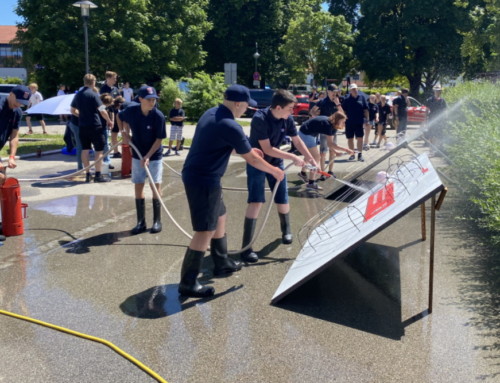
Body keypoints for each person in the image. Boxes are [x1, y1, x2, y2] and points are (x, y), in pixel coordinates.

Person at [179, 84, 284, 297]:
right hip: (203, 179)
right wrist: (274, 171)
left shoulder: (212, 113)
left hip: (204, 176)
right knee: (204, 230)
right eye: (246, 106)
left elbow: (224, 144)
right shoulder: (229, 124)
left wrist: (245, 149)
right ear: (237, 103)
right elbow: (253, 160)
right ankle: (188, 282)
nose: (246, 110)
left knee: (220, 216)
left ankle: (222, 261)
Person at [240, 89, 317, 263]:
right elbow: (266, 149)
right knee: (256, 201)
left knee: (282, 198)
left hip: (276, 162)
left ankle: (286, 230)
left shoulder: (287, 118)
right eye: (290, 108)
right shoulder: (260, 119)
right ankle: (246, 247)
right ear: (277, 107)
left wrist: (310, 158)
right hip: (257, 162)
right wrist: (293, 156)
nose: (292, 112)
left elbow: (297, 140)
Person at [118, 85, 166, 235]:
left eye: (154, 100)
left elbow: (159, 139)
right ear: (140, 99)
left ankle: (157, 221)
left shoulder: (158, 116)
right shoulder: (132, 111)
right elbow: (120, 117)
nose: (152, 103)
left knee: (154, 186)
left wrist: (148, 156)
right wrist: (124, 132)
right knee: (138, 185)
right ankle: (141, 222)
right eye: (149, 100)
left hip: (154, 155)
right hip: (137, 153)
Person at [0, 85, 31, 242]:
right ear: (10, 94)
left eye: (22, 103)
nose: (18, 105)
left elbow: (14, 136)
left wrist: (11, 156)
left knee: (1, 180)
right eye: (17, 101)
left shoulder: (17, 112)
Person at [70, 74, 113, 183]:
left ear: (84, 81)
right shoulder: (93, 95)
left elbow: (72, 110)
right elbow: (102, 109)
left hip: (82, 126)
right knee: (99, 150)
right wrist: (109, 120)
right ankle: (98, 175)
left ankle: (88, 174)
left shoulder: (78, 95)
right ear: (93, 82)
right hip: (95, 125)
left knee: (85, 149)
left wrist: (81, 115)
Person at [297, 112, 354, 187]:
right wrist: (346, 150)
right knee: (316, 157)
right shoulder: (327, 125)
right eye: (343, 122)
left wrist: (335, 152)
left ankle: (302, 173)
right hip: (305, 133)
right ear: (337, 120)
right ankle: (311, 182)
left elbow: (330, 143)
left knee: (310, 155)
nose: (344, 124)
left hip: (310, 133)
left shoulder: (334, 126)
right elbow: (330, 144)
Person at [341, 84, 369, 162]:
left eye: (356, 89)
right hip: (349, 122)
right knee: (350, 139)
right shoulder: (346, 99)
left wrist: (367, 119)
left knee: (360, 138)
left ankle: (360, 155)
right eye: (353, 89)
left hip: (359, 122)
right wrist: (343, 120)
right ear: (350, 91)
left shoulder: (362, 98)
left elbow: (366, 109)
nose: (355, 90)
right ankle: (352, 154)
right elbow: (343, 111)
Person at [424, 85, 448, 151]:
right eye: (437, 91)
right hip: (431, 119)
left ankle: (436, 149)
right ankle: (431, 149)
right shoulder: (429, 100)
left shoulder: (443, 101)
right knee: (431, 135)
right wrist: (425, 120)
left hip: (440, 120)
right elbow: (426, 110)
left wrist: (446, 117)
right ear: (434, 91)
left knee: (438, 134)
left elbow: (445, 110)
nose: (438, 92)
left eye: (439, 91)